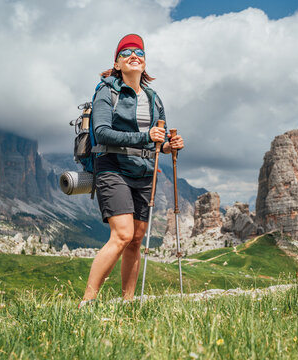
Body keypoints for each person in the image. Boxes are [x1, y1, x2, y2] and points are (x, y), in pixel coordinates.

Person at [80, 34, 184, 306]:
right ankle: (86, 303)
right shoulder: (107, 92)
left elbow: (157, 140)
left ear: (145, 62)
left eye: (139, 52)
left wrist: (170, 146)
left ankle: (127, 302)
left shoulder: (153, 98)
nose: (133, 55)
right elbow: (101, 133)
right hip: (112, 167)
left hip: (144, 172)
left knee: (136, 239)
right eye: (126, 53)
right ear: (117, 63)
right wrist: (146, 137)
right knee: (123, 234)